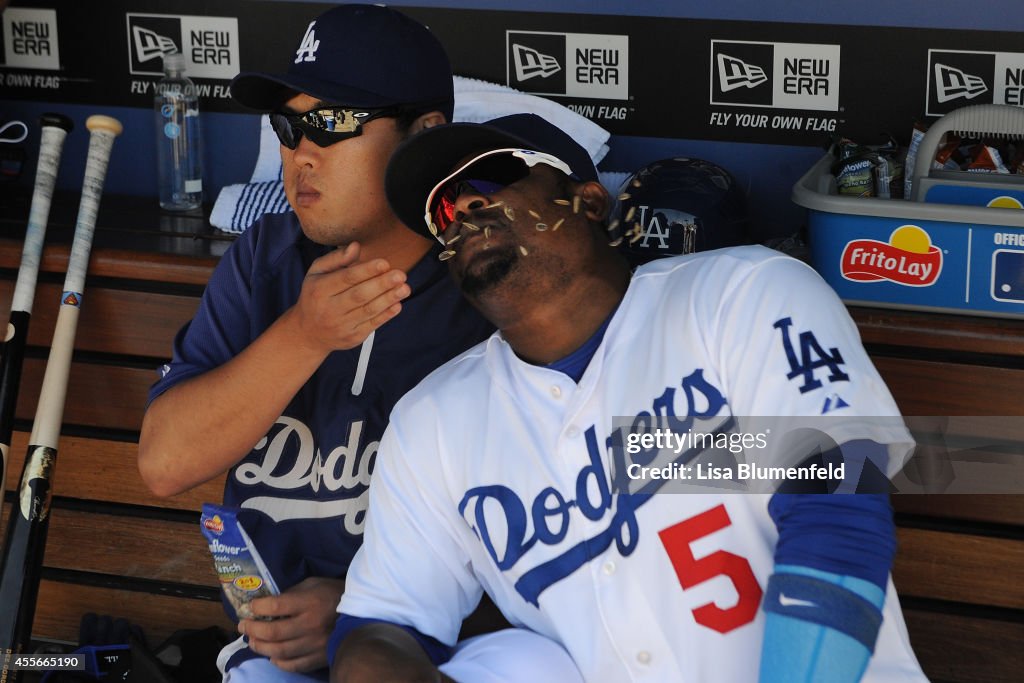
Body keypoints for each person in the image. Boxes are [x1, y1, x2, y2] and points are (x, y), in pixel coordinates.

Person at [326, 114, 929, 682]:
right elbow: (383, 624)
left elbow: (839, 517)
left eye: (489, 179)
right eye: (442, 210)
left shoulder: (741, 295)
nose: (463, 210)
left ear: (589, 201)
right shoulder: (433, 422)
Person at [137, 5, 493, 682]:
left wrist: (369, 609)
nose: (300, 151)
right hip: (274, 653)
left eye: (332, 122)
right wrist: (303, 334)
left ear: (425, 136)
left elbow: (557, 536)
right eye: (288, 126)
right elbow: (164, 463)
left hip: (445, 650)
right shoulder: (263, 262)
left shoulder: (486, 280)